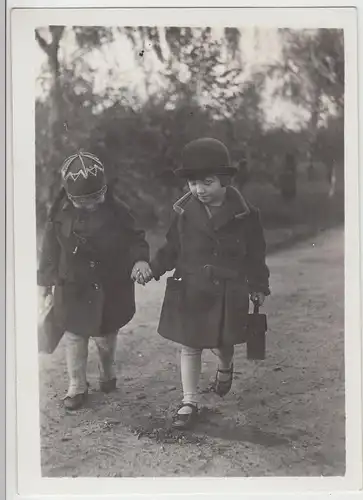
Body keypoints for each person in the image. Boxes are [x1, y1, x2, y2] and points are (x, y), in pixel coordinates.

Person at [145, 138, 271, 430]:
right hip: (191, 287)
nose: (199, 189)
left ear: (224, 181)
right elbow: (170, 249)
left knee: (222, 345)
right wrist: (153, 269)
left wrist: (258, 285)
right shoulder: (183, 213)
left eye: (207, 182)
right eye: (192, 182)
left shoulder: (246, 215)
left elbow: (256, 254)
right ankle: (189, 401)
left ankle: (225, 366)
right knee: (190, 345)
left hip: (228, 290)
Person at [37, 151, 152, 410]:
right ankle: (77, 385)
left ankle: (107, 371)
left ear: (105, 189)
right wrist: (45, 282)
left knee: (105, 336)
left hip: (109, 286)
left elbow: (136, 238)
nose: (90, 204)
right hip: (73, 285)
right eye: (82, 201)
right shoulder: (59, 215)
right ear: (69, 195)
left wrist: (140, 260)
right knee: (75, 337)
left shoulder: (119, 211)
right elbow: (49, 251)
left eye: (96, 198)